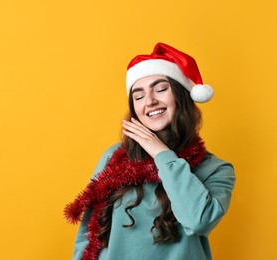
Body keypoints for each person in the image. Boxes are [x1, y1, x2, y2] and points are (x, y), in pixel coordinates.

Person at [64, 42, 235, 260]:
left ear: (181, 97)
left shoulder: (216, 169)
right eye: (138, 96)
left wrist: (162, 155)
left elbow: (199, 220)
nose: (150, 101)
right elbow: (89, 235)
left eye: (161, 89)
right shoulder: (114, 157)